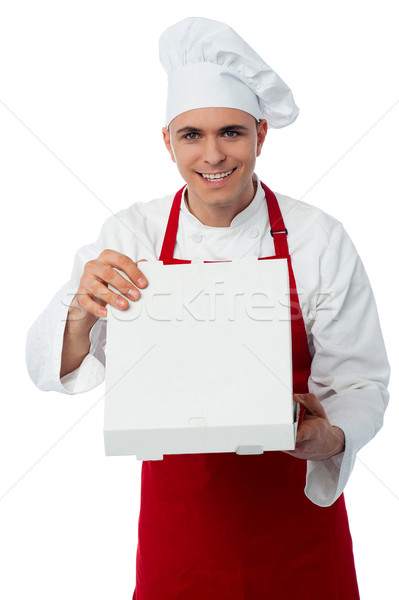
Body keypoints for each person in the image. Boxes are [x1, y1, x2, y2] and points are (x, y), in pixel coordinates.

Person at [26, 16, 390, 600]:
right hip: (181, 533)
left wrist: (331, 438)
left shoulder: (317, 236)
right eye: (192, 135)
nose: (213, 154)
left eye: (232, 133)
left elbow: (363, 379)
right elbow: (51, 370)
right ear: (167, 141)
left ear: (261, 136)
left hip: (295, 526)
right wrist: (79, 312)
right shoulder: (132, 232)